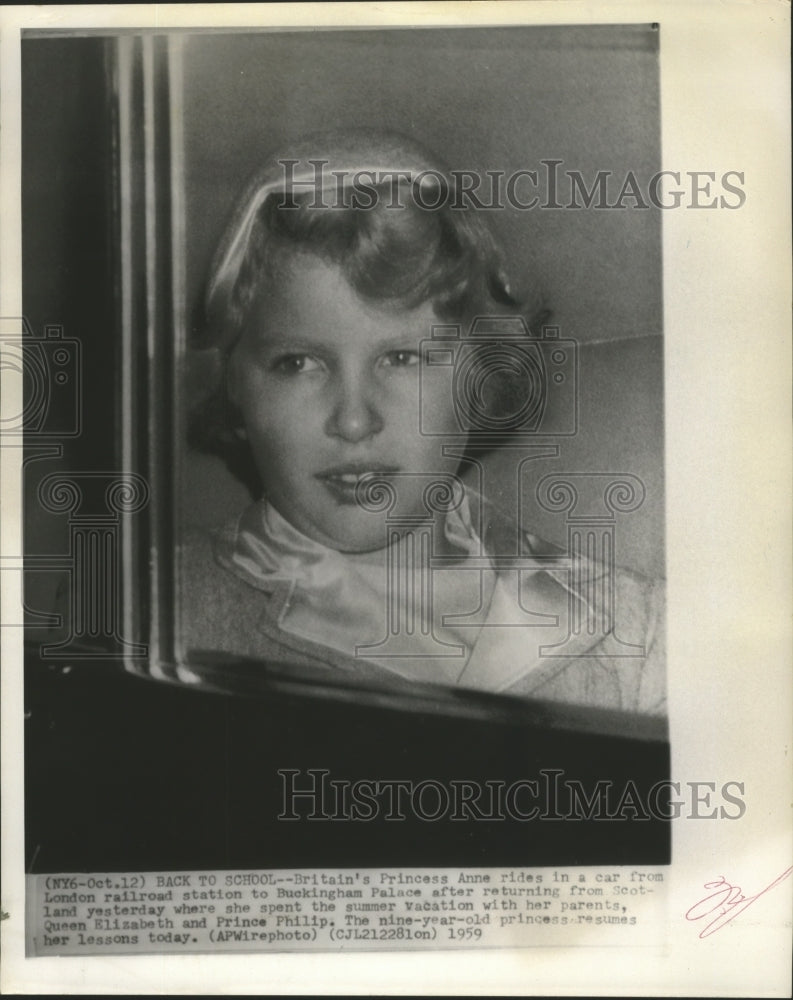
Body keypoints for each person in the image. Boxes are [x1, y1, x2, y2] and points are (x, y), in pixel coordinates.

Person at [183, 128, 666, 719]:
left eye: (403, 358)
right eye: (298, 363)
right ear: (234, 383)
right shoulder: (146, 615)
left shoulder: (637, 635)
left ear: (481, 369)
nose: (354, 420)